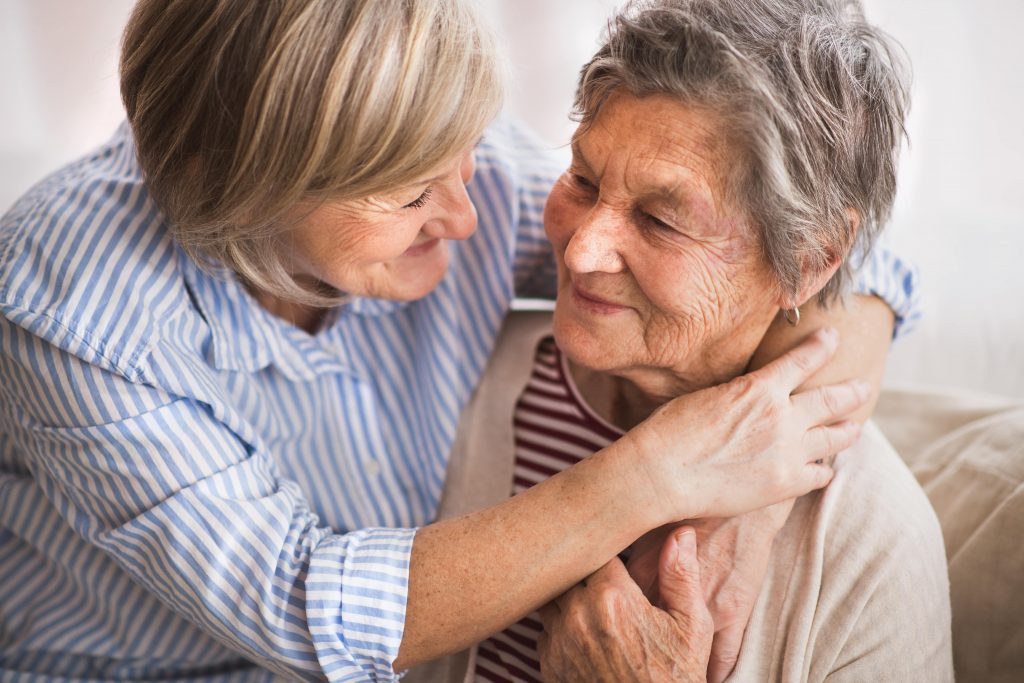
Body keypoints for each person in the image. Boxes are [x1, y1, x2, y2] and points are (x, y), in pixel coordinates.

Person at [0, 1, 914, 681]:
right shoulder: (73, 301)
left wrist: (747, 498)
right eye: (405, 195)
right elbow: (297, 603)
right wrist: (659, 473)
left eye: (461, 151)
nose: (472, 214)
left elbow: (841, 251)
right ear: (238, 196)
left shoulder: (435, 159)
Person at [406, 1, 951, 681]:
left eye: (661, 221)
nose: (580, 253)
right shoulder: (470, 378)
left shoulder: (873, 539)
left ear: (810, 260)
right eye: (583, 178)